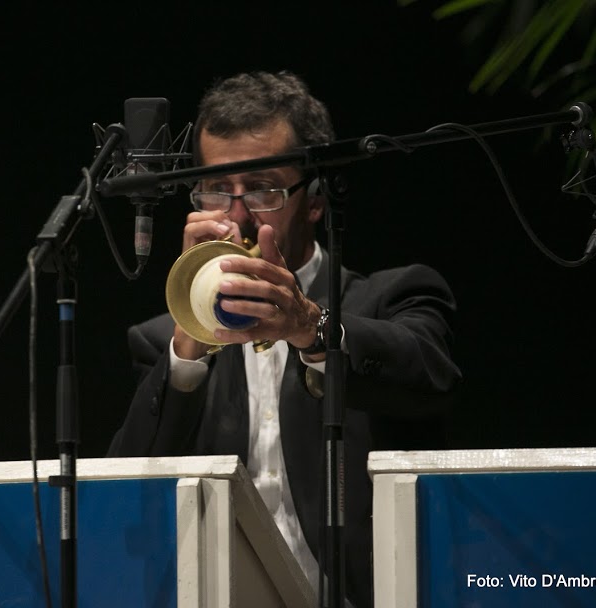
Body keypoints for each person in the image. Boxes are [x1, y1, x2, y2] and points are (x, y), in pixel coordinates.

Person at [107, 70, 462, 608]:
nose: (237, 214)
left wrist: (309, 325)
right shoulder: (162, 341)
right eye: (215, 189)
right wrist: (189, 341)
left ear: (314, 200)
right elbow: (126, 495)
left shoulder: (392, 297)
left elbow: (433, 381)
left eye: (262, 189)